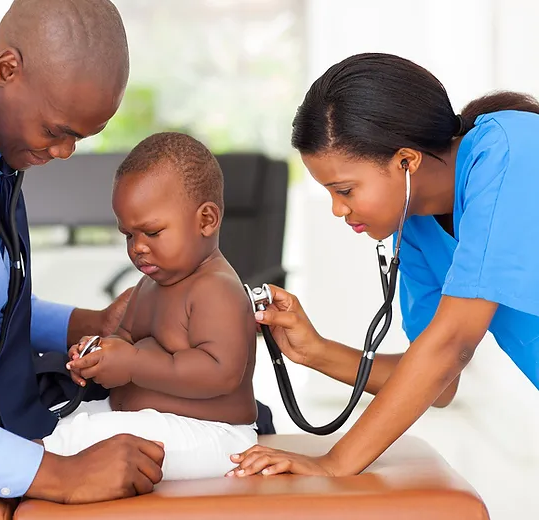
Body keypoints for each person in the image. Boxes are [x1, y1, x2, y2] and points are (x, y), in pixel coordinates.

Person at [226, 52, 539, 478]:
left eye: (346, 189)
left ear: (406, 161)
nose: (339, 209)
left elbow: (450, 346)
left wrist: (335, 461)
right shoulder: (414, 229)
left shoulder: (510, 151)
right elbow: (441, 385)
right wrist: (316, 351)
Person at [0, 0, 165, 504]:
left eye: (81, 138)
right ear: (6, 69)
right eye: (57, 131)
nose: (64, 153)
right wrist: (59, 476)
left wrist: (91, 322)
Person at [56, 132, 258, 480]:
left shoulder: (217, 290)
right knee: (55, 418)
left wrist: (132, 364)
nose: (138, 248)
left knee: (81, 441)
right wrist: (97, 357)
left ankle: (35, 465)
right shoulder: (147, 286)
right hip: (152, 423)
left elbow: (220, 372)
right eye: (128, 235)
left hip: (213, 436)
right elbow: (122, 340)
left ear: (206, 220)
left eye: (152, 232)